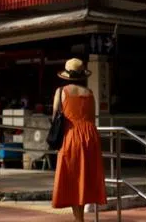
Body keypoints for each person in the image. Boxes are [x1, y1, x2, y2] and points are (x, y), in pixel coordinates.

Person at [51, 58, 106, 221]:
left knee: (72, 176)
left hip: (71, 135)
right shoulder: (89, 93)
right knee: (85, 176)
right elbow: (92, 117)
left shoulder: (61, 91)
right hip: (90, 137)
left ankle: (79, 219)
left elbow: (55, 117)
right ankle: (79, 217)